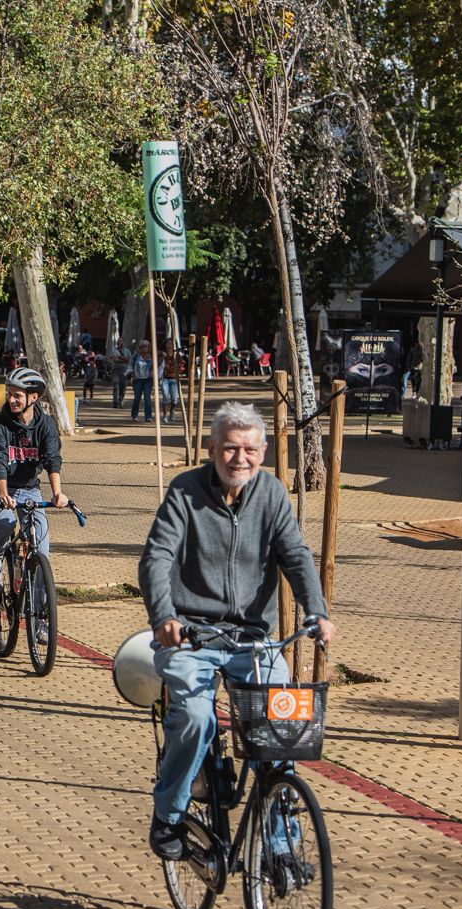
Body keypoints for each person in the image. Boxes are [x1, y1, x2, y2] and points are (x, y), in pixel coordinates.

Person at [138, 402, 336, 867]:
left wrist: (317, 611)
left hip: (254, 641)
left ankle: (280, 847)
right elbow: (156, 559)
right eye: (229, 448)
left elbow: (296, 556)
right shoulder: (185, 491)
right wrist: (164, 617)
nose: (239, 458)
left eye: (249, 449)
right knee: (193, 715)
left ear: (263, 452)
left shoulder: (271, 494)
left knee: (282, 730)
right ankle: (168, 814)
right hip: (190, 635)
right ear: (212, 448)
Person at [0, 368, 68, 598]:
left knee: (42, 549)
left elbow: (52, 459)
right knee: (6, 522)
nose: (11, 400)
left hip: (29, 489)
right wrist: (2, 493)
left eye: (17, 395)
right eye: (10, 394)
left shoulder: (46, 425)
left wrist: (58, 493)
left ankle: (40, 618)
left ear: (33, 397)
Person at [130, 340, 156, 423]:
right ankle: (134, 415)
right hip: (137, 380)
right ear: (140, 348)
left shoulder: (152, 357)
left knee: (147, 398)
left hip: (148, 380)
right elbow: (130, 365)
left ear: (148, 348)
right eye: (142, 346)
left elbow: (155, 367)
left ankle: (148, 417)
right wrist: (132, 374)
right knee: (137, 398)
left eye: (146, 346)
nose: (144, 348)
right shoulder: (135, 356)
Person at [160, 343, 183, 424]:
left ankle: (172, 410)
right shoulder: (161, 354)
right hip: (164, 379)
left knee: (174, 399)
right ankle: (165, 415)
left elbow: (181, 366)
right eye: (168, 344)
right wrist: (163, 358)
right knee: (166, 398)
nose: (169, 345)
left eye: (171, 344)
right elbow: (157, 364)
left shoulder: (177, 355)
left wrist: (173, 368)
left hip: (174, 379)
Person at [109, 339, 131, 409]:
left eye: (121, 341)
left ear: (123, 343)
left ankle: (121, 401)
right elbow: (115, 359)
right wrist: (123, 360)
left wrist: (120, 357)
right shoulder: (114, 350)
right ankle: (115, 402)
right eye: (118, 341)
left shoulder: (127, 351)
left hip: (124, 371)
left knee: (123, 387)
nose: (119, 343)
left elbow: (129, 360)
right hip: (116, 370)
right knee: (115, 386)